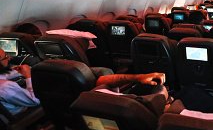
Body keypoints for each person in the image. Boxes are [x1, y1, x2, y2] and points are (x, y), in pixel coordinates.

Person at [0, 48, 165, 116]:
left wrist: (19, 72)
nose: (9, 58)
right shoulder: (6, 88)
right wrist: (29, 77)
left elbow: (6, 76)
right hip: (31, 111)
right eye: (5, 58)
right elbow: (35, 100)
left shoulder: (4, 80)